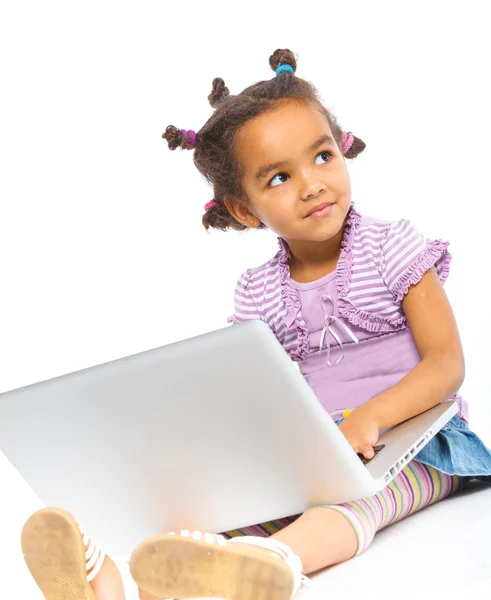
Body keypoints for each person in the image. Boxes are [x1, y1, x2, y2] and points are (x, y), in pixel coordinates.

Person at [21, 48, 491, 600]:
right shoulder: (257, 291)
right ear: (244, 210)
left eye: (321, 158)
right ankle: (110, 580)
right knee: (219, 506)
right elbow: (260, 396)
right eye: (278, 178)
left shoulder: (392, 246)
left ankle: (274, 560)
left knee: (354, 501)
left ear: (342, 151)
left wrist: (371, 417)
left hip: (417, 441)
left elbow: (446, 364)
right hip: (316, 450)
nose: (312, 184)